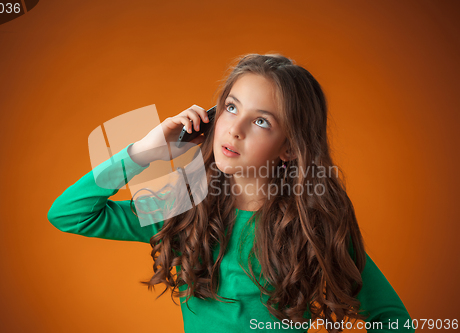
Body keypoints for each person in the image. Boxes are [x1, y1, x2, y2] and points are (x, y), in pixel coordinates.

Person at [47, 53, 414, 332]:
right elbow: (71, 213)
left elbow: (390, 317)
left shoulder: (311, 227)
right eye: (231, 107)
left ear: (289, 147)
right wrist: (143, 153)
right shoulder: (181, 210)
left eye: (260, 121)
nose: (234, 129)